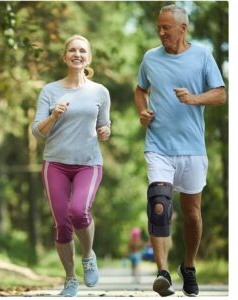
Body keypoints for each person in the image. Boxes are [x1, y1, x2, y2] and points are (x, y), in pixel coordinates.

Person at [134, 4, 226, 297]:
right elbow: (140, 90)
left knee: (192, 213)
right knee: (159, 204)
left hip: (192, 148)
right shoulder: (150, 58)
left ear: (182, 29)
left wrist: (194, 98)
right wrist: (143, 111)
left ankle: (188, 265)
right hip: (159, 145)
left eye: (166, 28)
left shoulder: (202, 56)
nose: (160, 33)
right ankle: (162, 273)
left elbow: (221, 95)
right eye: (159, 27)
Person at [32, 34, 111, 297]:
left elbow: (104, 124)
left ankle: (88, 256)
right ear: (65, 56)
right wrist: (54, 115)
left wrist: (105, 131)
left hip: (88, 164)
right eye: (72, 50)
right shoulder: (50, 91)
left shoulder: (100, 91)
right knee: (62, 224)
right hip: (55, 163)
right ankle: (69, 278)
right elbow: (37, 131)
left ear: (89, 57)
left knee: (79, 211)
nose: (77, 54)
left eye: (82, 51)